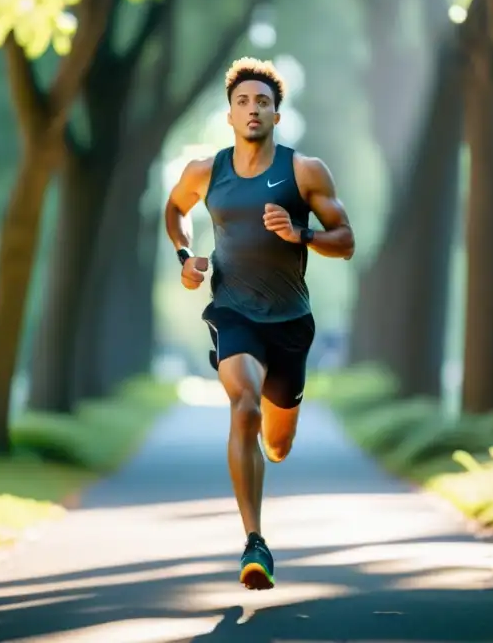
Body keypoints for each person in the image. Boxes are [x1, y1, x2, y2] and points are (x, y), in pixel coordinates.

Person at [163, 56, 356, 590]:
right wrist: (185, 258)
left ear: (277, 115)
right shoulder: (206, 171)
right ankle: (254, 541)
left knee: (277, 442)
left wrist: (303, 235)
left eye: (263, 102)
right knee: (242, 404)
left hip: (290, 321)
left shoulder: (305, 171)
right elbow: (175, 210)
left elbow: (347, 241)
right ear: (229, 115)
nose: (253, 110)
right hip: (232, 310)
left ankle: (276, 434)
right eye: (243, 102)